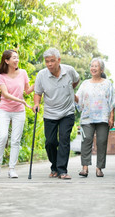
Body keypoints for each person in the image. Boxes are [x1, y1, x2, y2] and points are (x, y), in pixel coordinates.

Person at [33, 48, 79, 180]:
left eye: (52, 61)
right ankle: (54, 166)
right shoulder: (42, 75)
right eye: (47, 61)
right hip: (50, 113)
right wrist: (36, 104)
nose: (49, 64)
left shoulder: (69, 71)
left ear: (59, 60)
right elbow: (38, 92)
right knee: (50, 142)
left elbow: (76, 80)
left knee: (64, 140)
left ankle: (62, 170)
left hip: (67, 112)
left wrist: (70, 90)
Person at [0, 49, 34, 178]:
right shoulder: (1, 75)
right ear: (6, 60)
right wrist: (21, 100)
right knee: (3, 136)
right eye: (14, 58)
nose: (17, 60)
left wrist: (38, 82)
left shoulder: (23, 73)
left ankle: (11, 169)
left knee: (15, 140)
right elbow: (5, 94)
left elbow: (27, 91)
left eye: (17, 57)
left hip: (19, 111)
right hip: (4, 109)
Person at [75, 58, 115, 177]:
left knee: (102, 141)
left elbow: (112, 101)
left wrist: (112, 117)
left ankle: (99, 168)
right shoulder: (85, 84)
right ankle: (85, 168)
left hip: (103, 117)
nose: (93, 68)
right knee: (86, 140)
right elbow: (79, 99)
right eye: (92, 66)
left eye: (96, 66)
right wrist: (72, 95)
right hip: (87, 117)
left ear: (101, 69)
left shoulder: (107, 83)